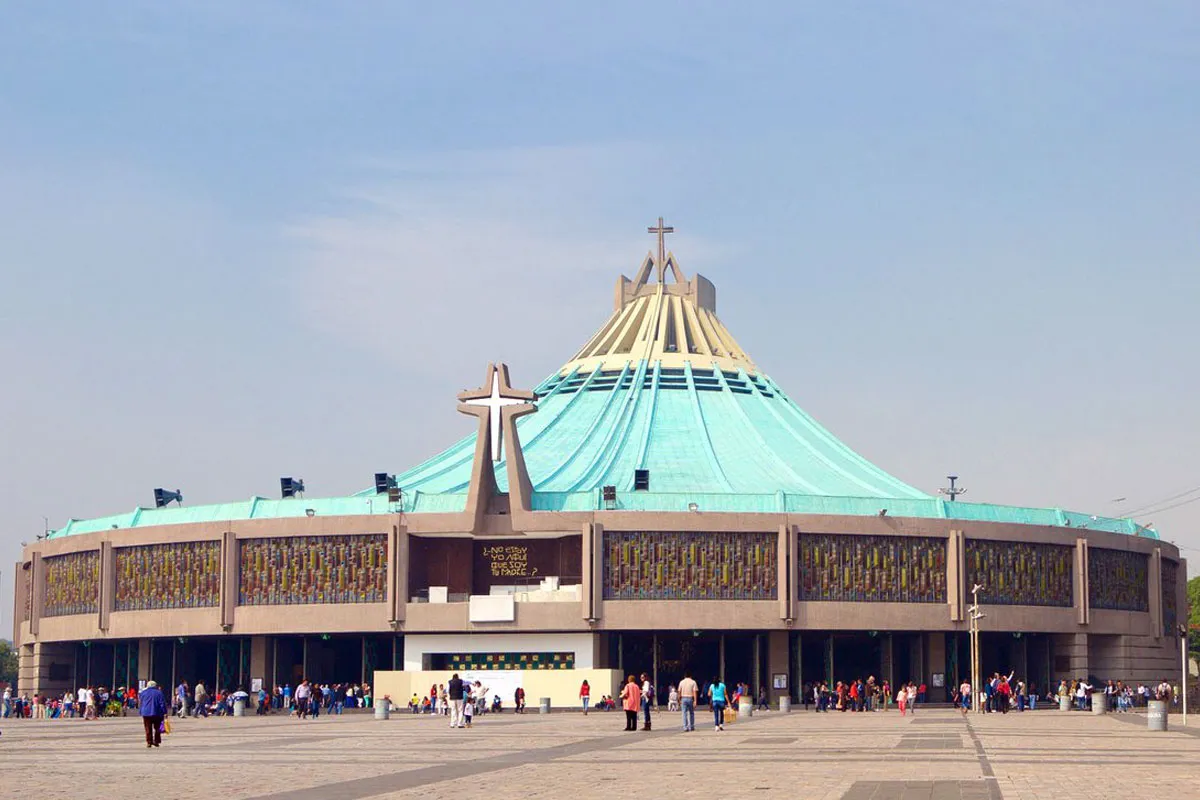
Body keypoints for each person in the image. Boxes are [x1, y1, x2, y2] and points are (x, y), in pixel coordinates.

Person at [139, 681, 167, 749]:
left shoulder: (143, 693)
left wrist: (140, 711)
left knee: (148, 728)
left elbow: (141, 703)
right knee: (157, 728)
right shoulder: (159, 693)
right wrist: (165, 712)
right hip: (157, 713)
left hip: (146, 713)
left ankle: (149, 742)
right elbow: (162, 704)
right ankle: (156, 741)